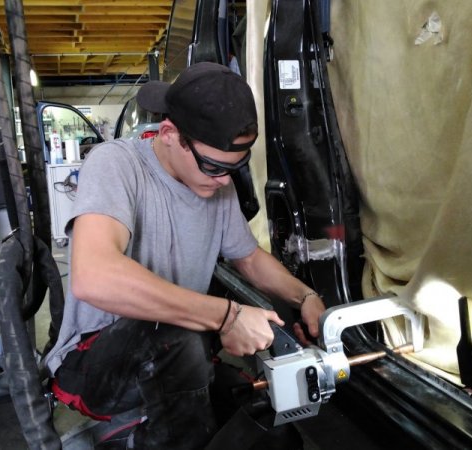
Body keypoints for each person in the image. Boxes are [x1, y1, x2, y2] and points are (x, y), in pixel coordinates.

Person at [43, 62, 326, 449]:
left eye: (234, 168)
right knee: (176, 336)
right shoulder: (116, 165)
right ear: (170, 134)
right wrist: (228, 316)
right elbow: (94, 275)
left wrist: (305, 297)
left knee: (271, 434)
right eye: (212, 166)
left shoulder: (217, 186)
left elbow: (249, 259)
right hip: (97, 361)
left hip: (181, 356)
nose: (224, 180)